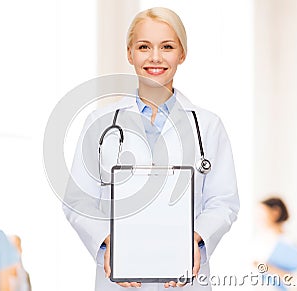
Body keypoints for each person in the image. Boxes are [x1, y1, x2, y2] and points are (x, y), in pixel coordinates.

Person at [63, 7, 239, 290]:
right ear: (129, 53)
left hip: (185, 276)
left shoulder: (207, 126)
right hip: (120, 277)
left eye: (167, 47)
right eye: (144, 46)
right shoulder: (100, 122)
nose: (155, 57)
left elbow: (223, 201)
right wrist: (110, 241)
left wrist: (195, 238)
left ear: (182, 54)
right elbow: (78, 200)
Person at [253, 197, 297, 290]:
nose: (258, 218)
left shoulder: (290, 242)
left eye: (261, 214)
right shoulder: (258, 241)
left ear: (276, 212)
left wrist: (269, 269)